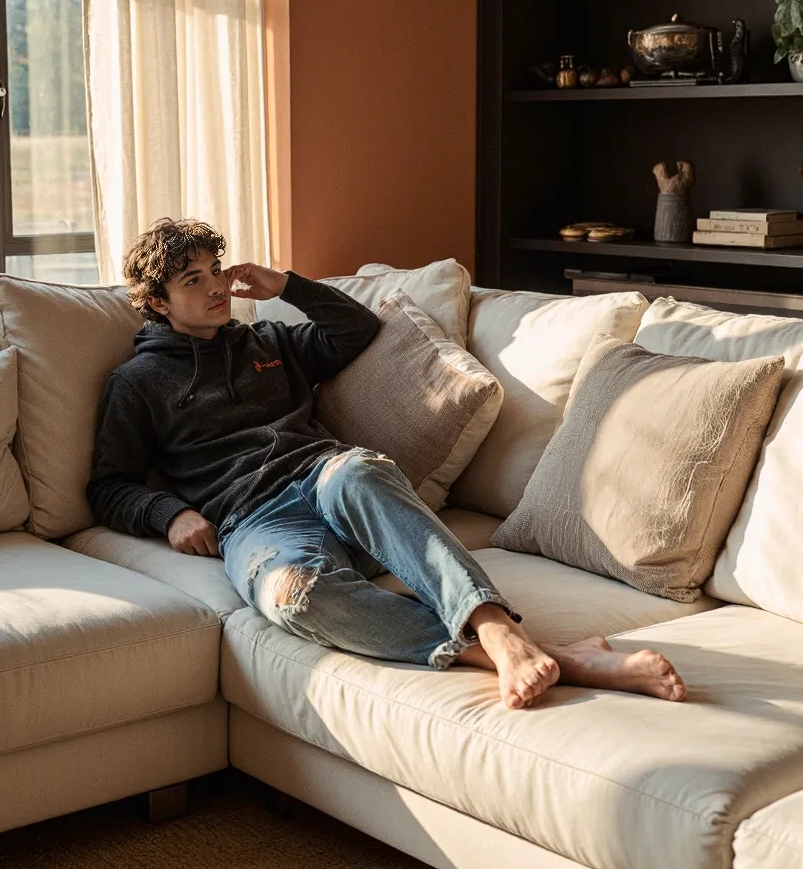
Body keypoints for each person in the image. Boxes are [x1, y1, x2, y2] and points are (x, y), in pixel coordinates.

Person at [88, 218, 686, 710]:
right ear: (155, 302)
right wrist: (168, 514)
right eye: (194, 279)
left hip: (330, 484)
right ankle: (538, 654)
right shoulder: (137, 383)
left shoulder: (269, 342)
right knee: (293, 597)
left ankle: (497, 625)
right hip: (254, 523)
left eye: (217, 270)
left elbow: (357, 329)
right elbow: (109, 485)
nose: (216, 286)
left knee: (361, 470)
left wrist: (288, 285)